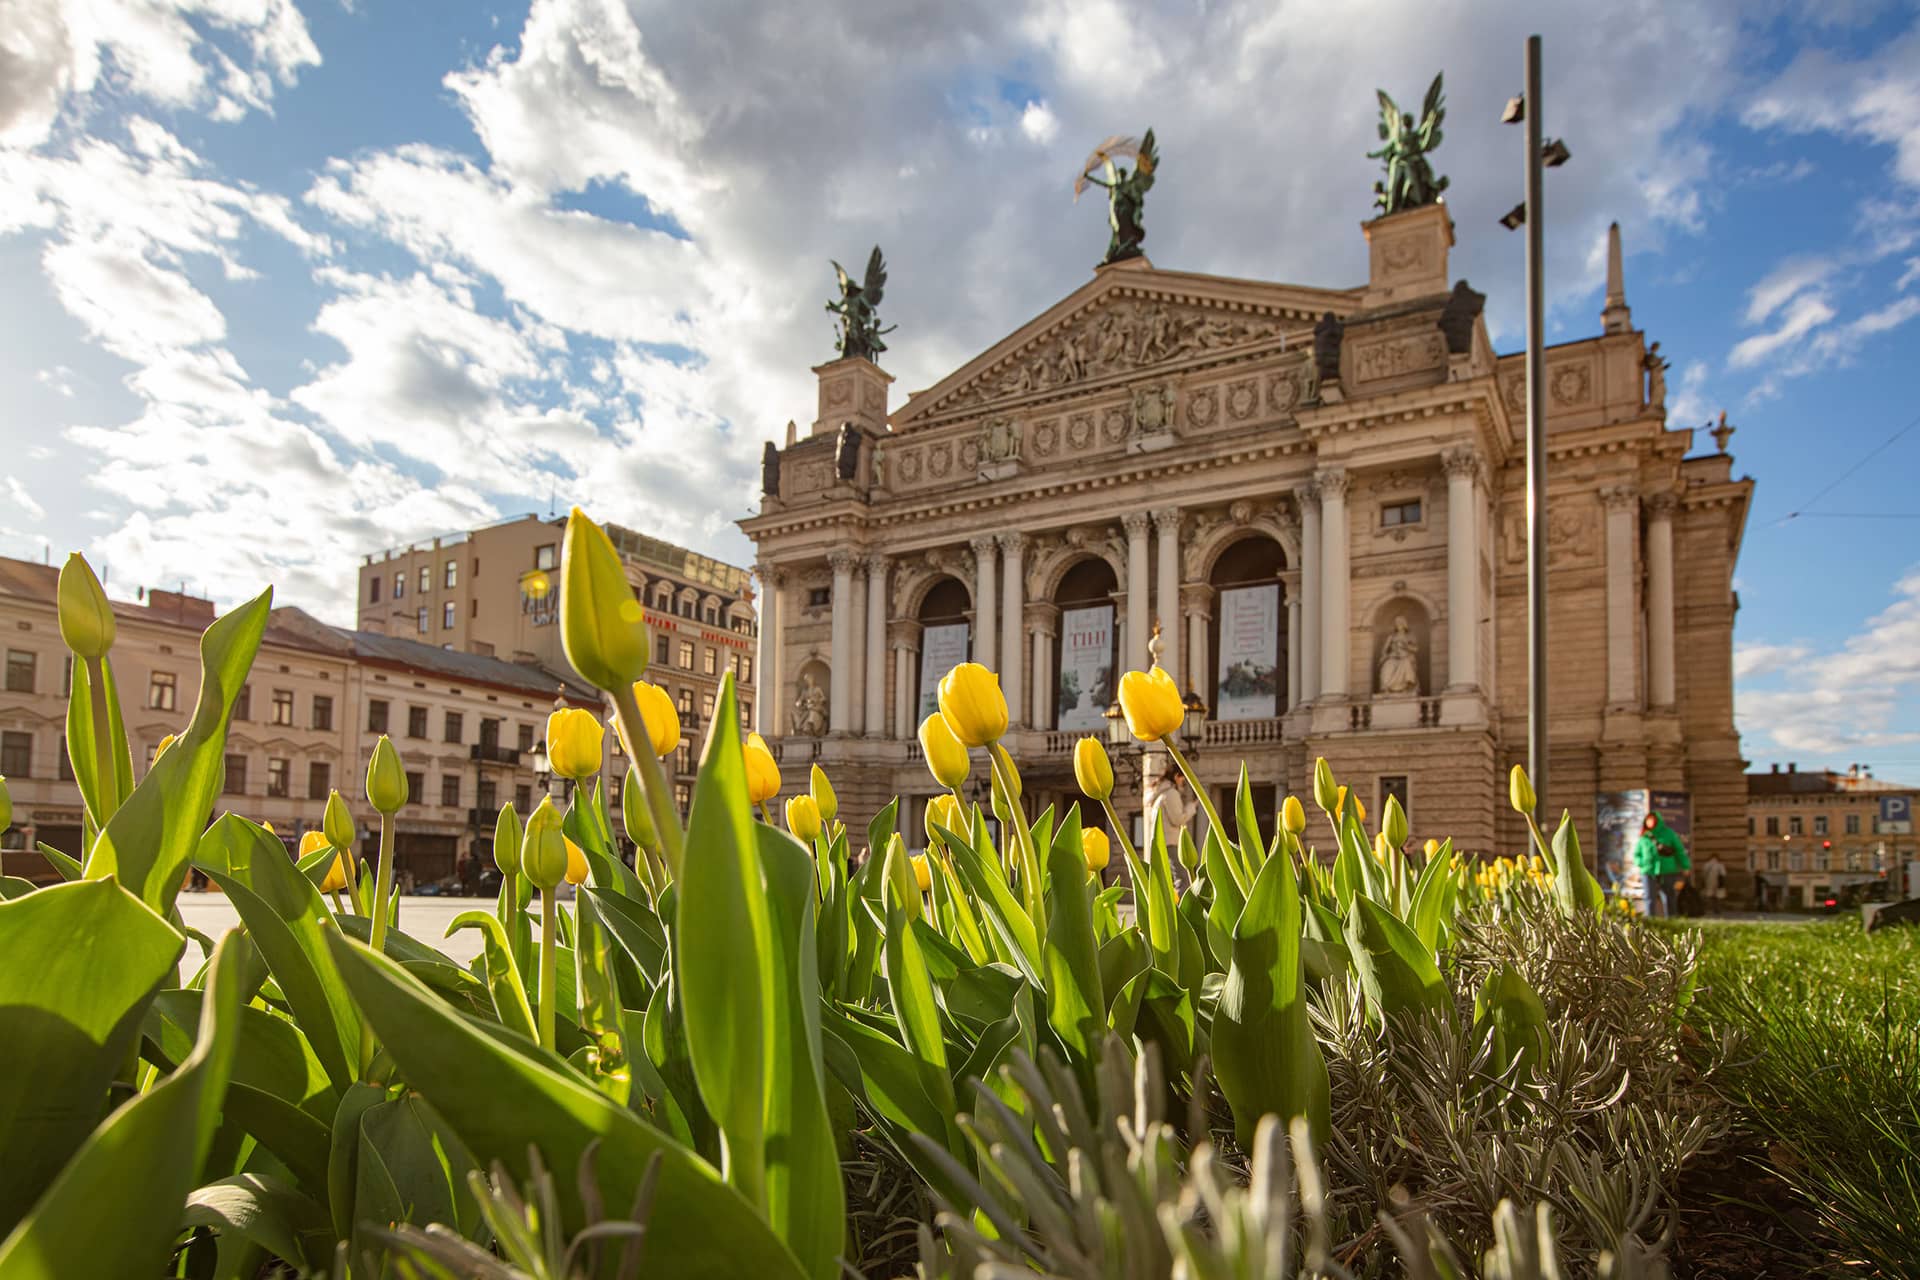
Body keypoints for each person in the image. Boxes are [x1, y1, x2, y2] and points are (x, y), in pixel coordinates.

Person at [1632, 811, 1690, 918]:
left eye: (1652, 819)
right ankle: (1650, 921)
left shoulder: (1669, 834)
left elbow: (1679, 851)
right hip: (1648, 872)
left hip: (1667, 870)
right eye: (1648, 820)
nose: (1650, 822)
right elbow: (1636, 855)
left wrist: (1685, 866)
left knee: (1669, 897)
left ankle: (1672, 920)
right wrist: (1642, 863)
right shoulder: (1644, 837)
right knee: (1649, 898)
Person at [1142, 763, 1197, 863]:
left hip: (1162, 842)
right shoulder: (1171, 793)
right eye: (1182, 780)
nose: (1182, 783)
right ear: (1176, 776)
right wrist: (1191, 807)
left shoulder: (1160, 794)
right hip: (1170, 842)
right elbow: (1177, 819)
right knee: (1181, 876)